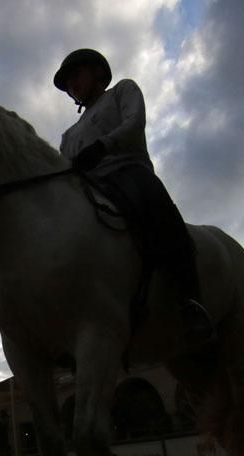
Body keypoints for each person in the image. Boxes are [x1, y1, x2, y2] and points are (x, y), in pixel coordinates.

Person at [54, 48, 214, 345]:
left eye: (76, 75)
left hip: (128, 172)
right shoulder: (68, 135)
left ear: (97, 72)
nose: (71, 86)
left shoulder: (122, 91)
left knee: (155, 207)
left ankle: (190, 300)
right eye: (66, 84)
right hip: (89, 189)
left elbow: (134, 122)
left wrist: (103, 146)